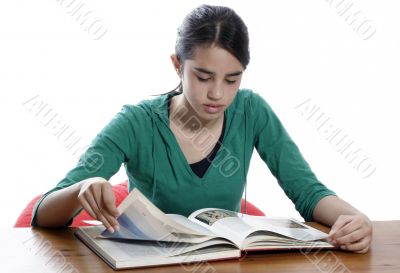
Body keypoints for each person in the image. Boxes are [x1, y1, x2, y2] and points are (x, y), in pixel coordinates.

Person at [32, 4, 372, 253]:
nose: (217, 94)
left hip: (226, 261)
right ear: (178, 65)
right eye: (203, 77)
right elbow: (42, 215)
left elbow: (308, 192)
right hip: (150, 265)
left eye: (232, 79)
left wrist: (356, 218)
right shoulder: (135, 122)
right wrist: (82, 189)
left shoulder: (252, 110)